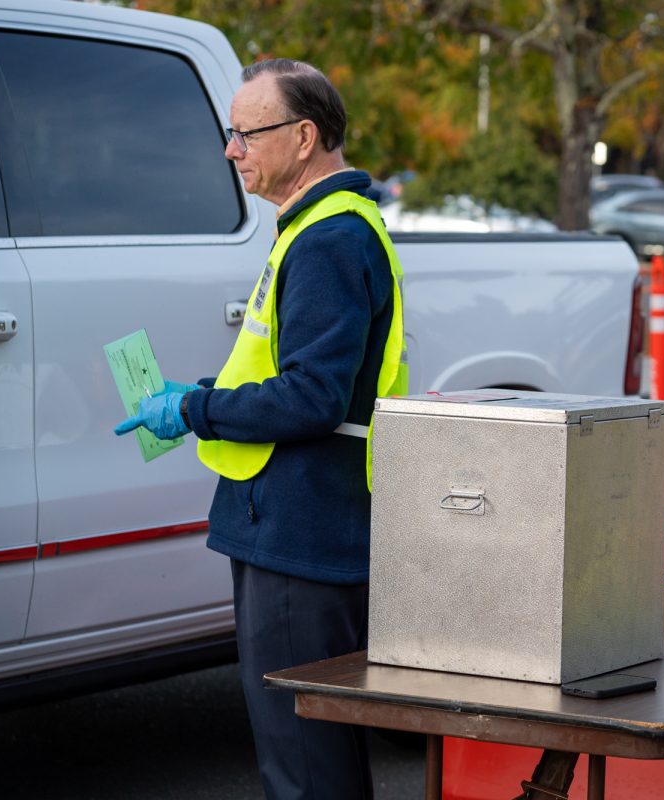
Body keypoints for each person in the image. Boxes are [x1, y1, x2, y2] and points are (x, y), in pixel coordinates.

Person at [115, 58, 406, 799]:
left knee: (304, 765)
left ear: (304, 137)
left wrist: (193, 409)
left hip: (300, 535)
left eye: (247, 132)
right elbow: (296, 376)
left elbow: (313, 396)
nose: (231, 149)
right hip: (303, 524)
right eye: (230, 132)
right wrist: (206, 394)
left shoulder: (328, 240)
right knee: (313, 752)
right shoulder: (317, 230)